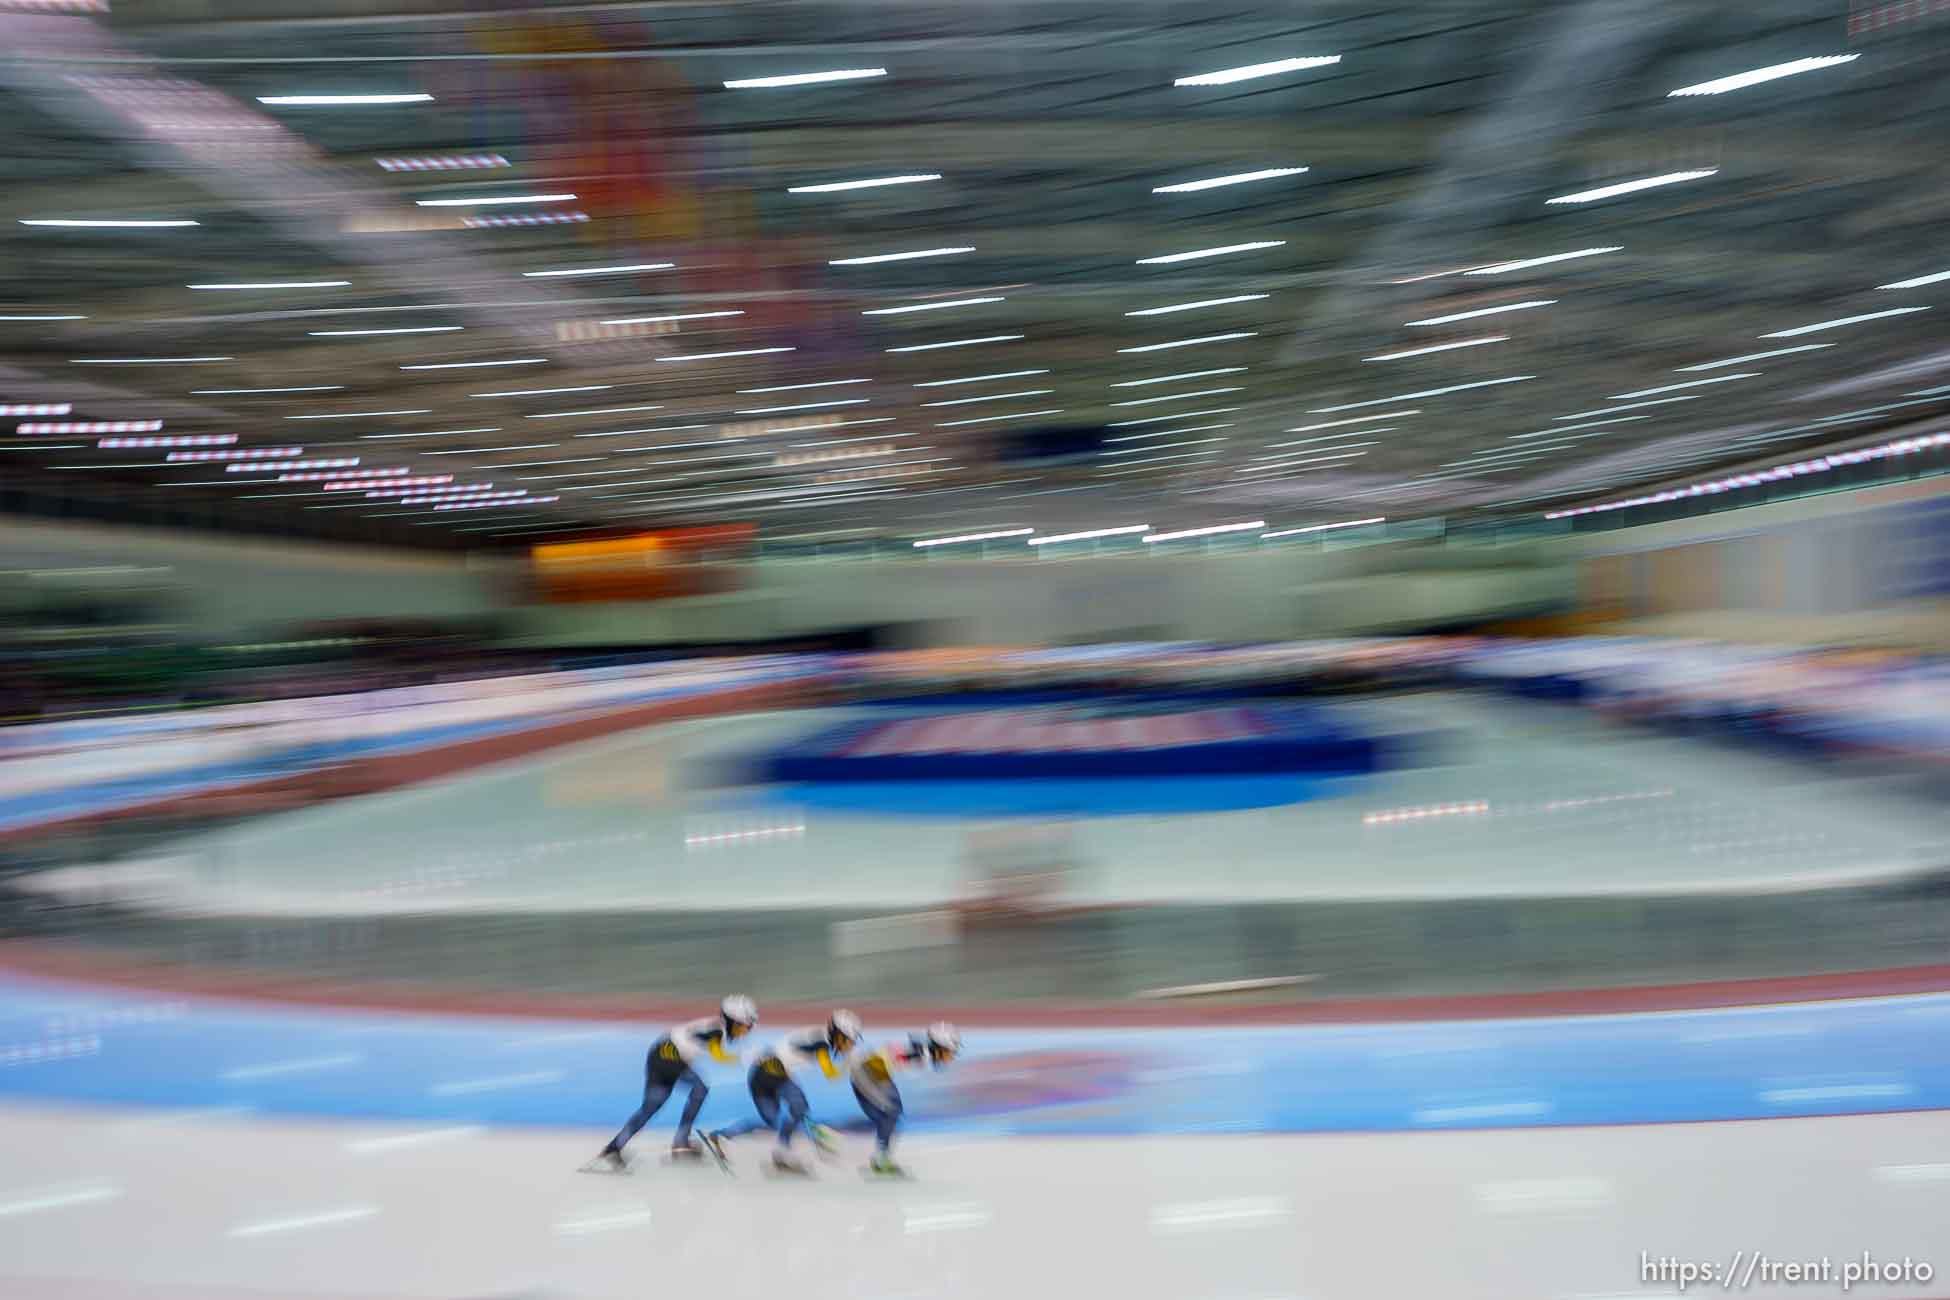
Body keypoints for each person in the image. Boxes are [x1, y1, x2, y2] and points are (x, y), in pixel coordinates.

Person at [591, 994, 757, 1172]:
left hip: (658, 1054)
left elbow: (687, 1045)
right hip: (668, 1056)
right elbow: (718, 1056)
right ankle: (681, 1142)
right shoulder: (718, 1031)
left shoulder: (714, 1025)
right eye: (744, 1027)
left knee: (650, 1108)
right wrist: (743, 1058)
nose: (745, 1032)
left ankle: (613, 1149)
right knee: (699, 1088)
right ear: (733, 1021)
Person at [711, 1009, 863, 1175]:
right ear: (838, 1035)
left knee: (775, 1121)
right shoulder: (822, 1044)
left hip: (758, 1073)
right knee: (799, 1108)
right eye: (849, 1041)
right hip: (773, 1071)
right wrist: (849, 1063)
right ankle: (783, 1154)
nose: (850, 1046)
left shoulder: (818, 1035)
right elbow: (831, 1074)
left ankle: (722, 1135)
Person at [851, 1022, 961, 1178]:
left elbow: (891, 1054)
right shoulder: (921, 1052)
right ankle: (881, 1160)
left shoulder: (923, 1051)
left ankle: (881, 1157)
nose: (952, 1056)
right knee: (891, 1111)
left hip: (876, 1073)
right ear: (940, 1047)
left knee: (891, 1113)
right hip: (869, 1072)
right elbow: (892, 1055)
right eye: (951, 1051)